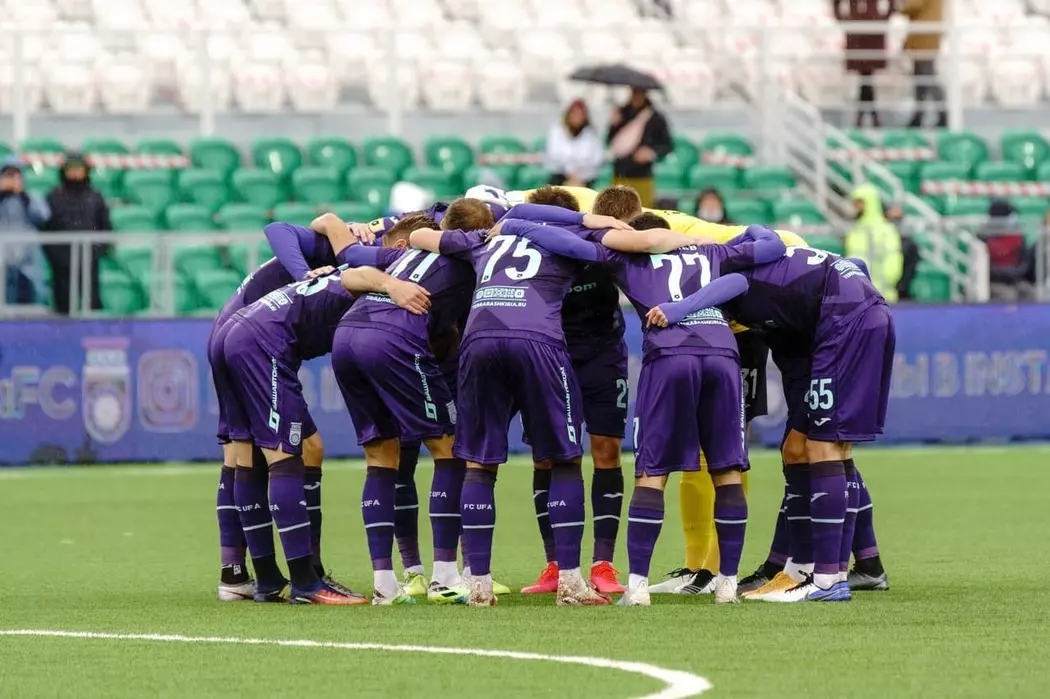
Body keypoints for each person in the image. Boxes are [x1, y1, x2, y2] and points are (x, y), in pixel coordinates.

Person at [511, 214, 787, 606]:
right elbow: (772, 245)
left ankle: (638, 587)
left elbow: (569, 245)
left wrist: (518, 226)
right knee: (726, 470)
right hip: (722, 353)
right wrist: (749, 229)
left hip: (670, 354)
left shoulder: (627, 259)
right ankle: (726, 584)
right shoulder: (712, 250)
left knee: (651, 473)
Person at [218, 262, 430, 604]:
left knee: (270, 452)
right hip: (261, 341)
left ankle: (272, 578)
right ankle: (305, 583)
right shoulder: (377, 272)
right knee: (286, 456)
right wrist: (393, 285)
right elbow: (358, 273)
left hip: (237, 330)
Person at [719, 235, 895, 602]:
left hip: (841, 333)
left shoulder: (755, 288)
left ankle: (826, 576)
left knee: (823, 447)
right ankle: (828, 568)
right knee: (804, 448)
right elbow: (856, 267)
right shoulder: (778, 283)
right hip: (841, 332)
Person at [208, 212, 357, 602]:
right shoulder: (346, 251)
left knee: (254, 454)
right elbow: (277, 228)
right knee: (275, 453)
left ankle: (244, 574)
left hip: (233, 331)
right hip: (250, 337)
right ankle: (303, 577)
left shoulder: (348, 249)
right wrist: (303, 273)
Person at [332, 212, 478, 605]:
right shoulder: (472, 253)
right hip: (393, 340)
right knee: (449, 449)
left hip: (346, 336)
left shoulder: (406, 253)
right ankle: (445, 576)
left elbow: (348, 274)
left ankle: (384, 583)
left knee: (381, 456)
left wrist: (388, 283)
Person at [511, 186, 631, 596]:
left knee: (606, 451)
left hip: (602, 356)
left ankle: (603, 564)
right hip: (549, 357)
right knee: (547, 456)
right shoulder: (524, 251)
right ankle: (556, 564)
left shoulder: (600, 243)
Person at [43, 153, 111, 314]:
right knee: (63, 307)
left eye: (79, 168)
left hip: (89, 261)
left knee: (92, 305)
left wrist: (94, 252)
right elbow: (46, 230)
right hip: (61, 264)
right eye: (71, 168)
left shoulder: (95, 197)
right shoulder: (53, 197)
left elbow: (106, 228)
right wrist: (58, 256)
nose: (75, 172)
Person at [607, 87, 672, 207]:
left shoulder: (656, 117)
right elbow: (611, 142)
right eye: (635, 92)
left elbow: (667, 145)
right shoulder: (621, 114)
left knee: (642, 210)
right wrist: (613, 125)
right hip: (620, 173)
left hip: (643, 175)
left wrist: (651, 153)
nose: (637, 96)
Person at [0, 157, 50, 305]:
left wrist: (22, 195)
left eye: (16, 175)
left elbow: (44, 216)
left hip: (27, 262)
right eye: (8, 175)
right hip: (3, 261)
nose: (12, 179)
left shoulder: (31, 197)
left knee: (28, 302)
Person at [834, 0, 892, 127]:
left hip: (869, 33)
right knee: (866, 76)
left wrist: (883, 19)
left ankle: (864, 116)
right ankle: (870, 116)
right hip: (860, 33)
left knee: (866, 76)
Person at [845, 184, 903, 302]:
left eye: (859, 203)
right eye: (855, 203)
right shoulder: (854, 230)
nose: (856, 207)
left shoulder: (886, 230)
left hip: (883, 297)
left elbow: (893, 262)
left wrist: (878, 289)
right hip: (859, 297)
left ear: (870, 203)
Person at [977, 199, 1035, 302]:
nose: (1014, 218)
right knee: (1008, 296)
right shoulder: (983, 238)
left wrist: (1015, 273)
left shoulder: (1018, 236)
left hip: (1015, 280)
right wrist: (1004, 274)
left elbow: (1024, 262)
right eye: (1010, 215)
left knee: (1030, 292)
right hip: (993, 282)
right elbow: (986, 268)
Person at [901, 0, 947, 129]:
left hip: (923, 38)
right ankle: (920, 115)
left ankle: (941, 115)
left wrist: (899, 6)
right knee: (922, 78)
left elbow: (913, 6)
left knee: (927, 77)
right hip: (923, 37)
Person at [544, 99, 605, 188]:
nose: (577, 118)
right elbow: (553, 155)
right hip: (560, 177)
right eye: (575, 114)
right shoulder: (557, 131)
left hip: (585, 180)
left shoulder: (592, 134)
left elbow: (597, 159)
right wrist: (569, 174)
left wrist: (580, 176)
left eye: (580, 115)